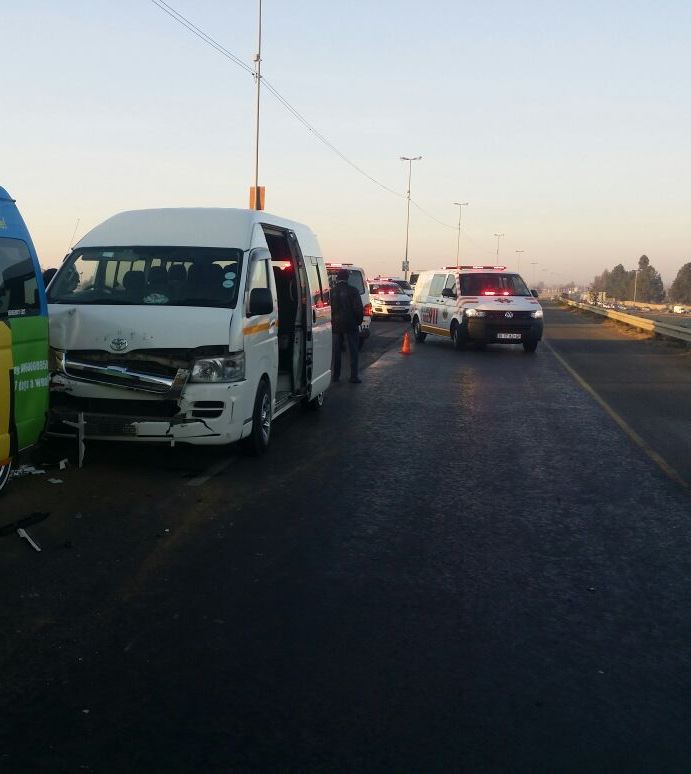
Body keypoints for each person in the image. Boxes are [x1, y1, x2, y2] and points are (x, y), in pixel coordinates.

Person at [330, 268, 364, 383]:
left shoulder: (332, 292)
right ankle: (353, 376)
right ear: (347, 278)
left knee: (337, 351)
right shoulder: (353, 291)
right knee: (353, 350)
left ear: (337, 278)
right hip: (350, 324)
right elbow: (358, 309)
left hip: (335, 324)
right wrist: (358, 321)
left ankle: (336, 376)